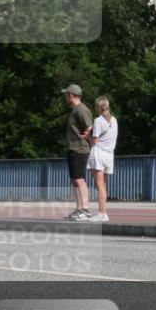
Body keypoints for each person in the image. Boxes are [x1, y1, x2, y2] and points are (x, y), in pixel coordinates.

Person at [62, 84, 93, 221]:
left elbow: (90, 127)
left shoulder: (81, 109)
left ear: (71, 95)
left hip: (80, 149)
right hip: (73, 148)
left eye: (66, 94)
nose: (65, 97)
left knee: (80, 179)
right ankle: (79, 208)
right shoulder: (75, 110)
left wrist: (87, 138)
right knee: (75, 180)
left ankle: (85, 209)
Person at [86, 97, 118, 222]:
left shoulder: (98, 120)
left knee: (99, 185)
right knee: (103, 185)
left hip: (99, 153)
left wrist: (87, 136)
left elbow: (94, 140)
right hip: (109, 154)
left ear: (98, 107)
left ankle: (102, 212)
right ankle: (103, 211)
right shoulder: (114, 120)